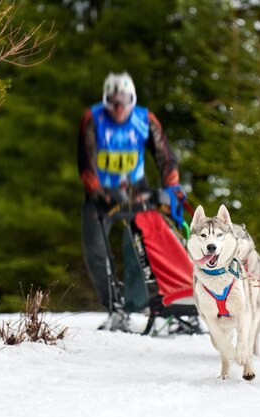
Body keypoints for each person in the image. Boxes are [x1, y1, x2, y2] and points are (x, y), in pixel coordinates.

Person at [77, 72, 183, 332]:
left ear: (132, 100)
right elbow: (86, 163)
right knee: (95, 249)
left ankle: (151, 304)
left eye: (124, 101)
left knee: (143, 245)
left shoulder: (145, 119)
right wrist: (100, 192)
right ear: (106, 101)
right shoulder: (93, 118)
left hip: (137, 191)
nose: (119, 108)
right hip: (102, 194)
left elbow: (165, 156)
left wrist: (172, 188)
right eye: (113, 102)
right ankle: (116, 308)